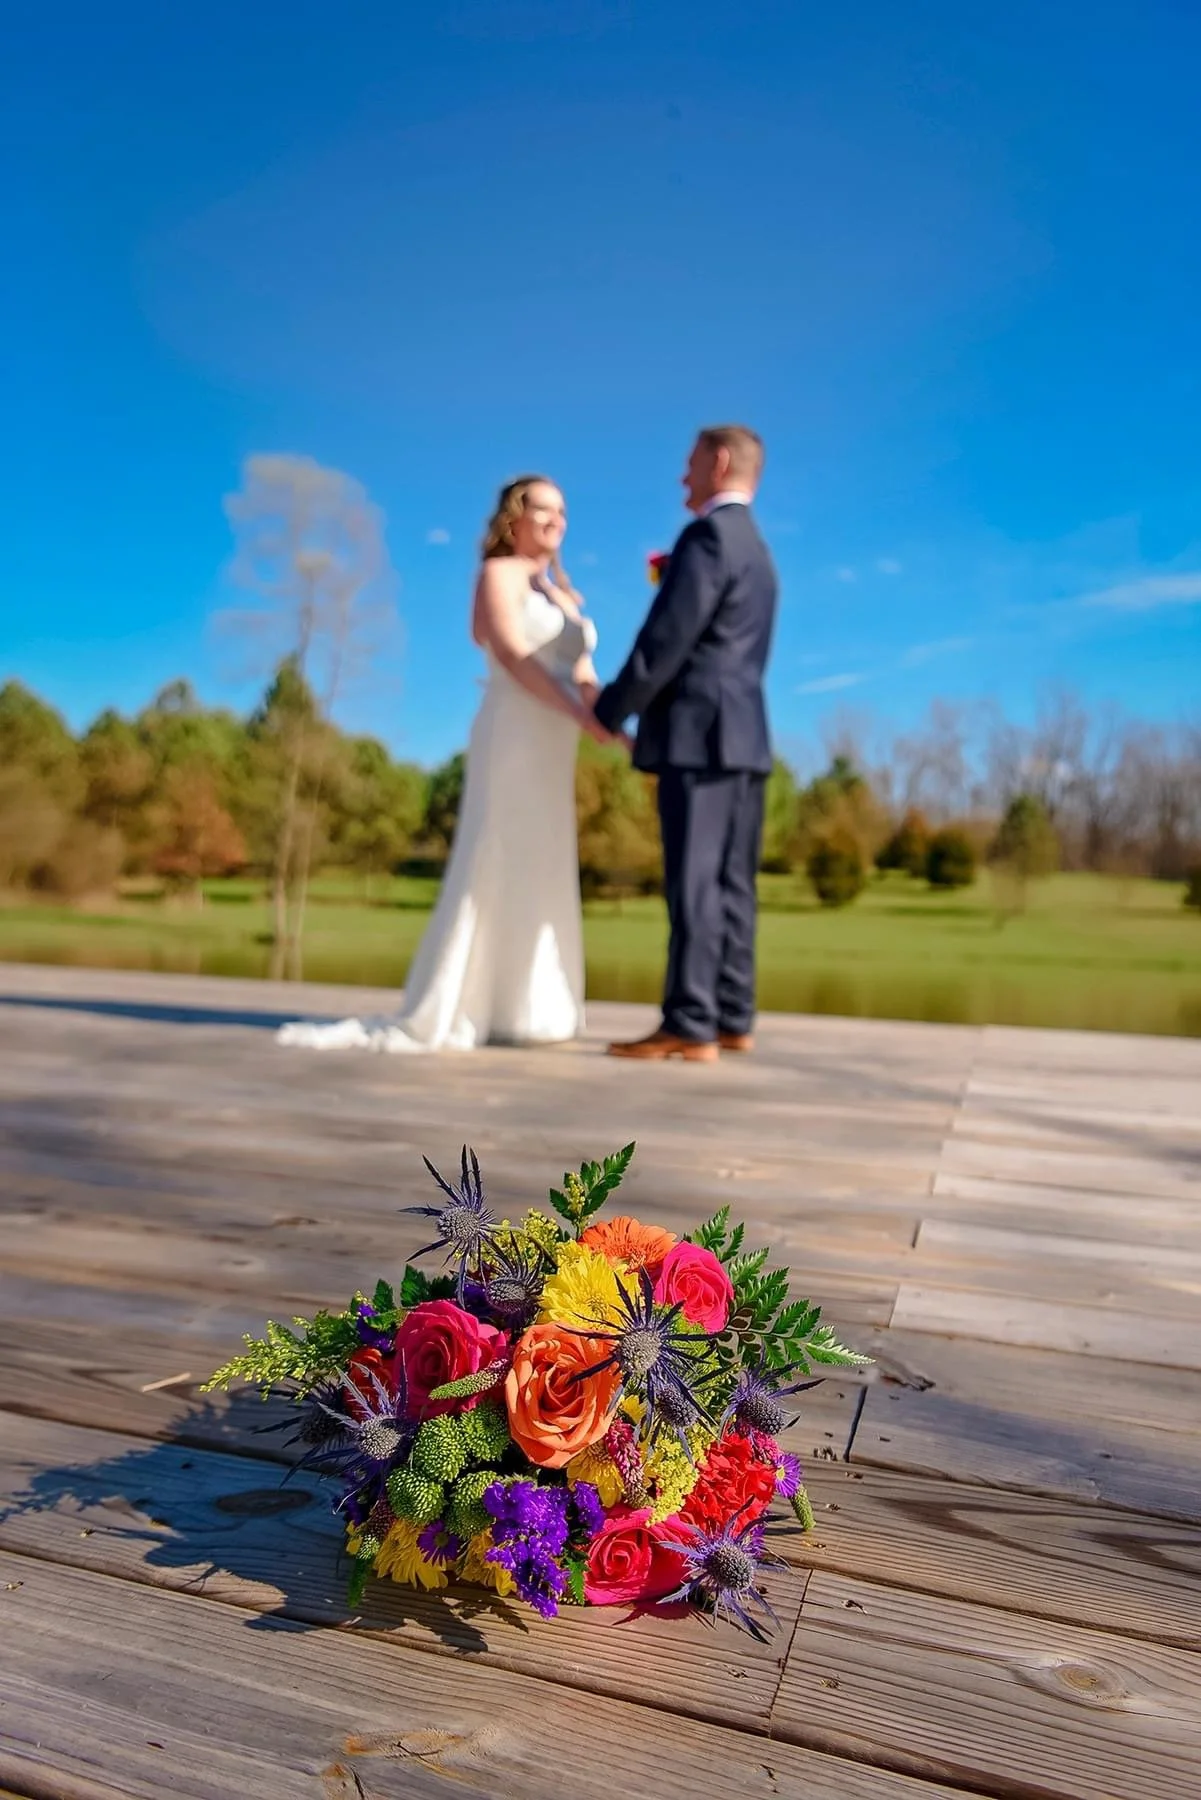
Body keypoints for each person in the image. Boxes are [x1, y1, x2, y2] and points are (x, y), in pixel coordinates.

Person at [278, 475, 608, 1053]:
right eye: (544, 508)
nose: (557, 520)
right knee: (498, 848)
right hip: (513, 735)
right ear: (514, 516)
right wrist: (580, 717)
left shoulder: (565, 596)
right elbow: (513, 653)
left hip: (557, 744)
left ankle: (533, 1010)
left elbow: (583, 675)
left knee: (546, 854)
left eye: (563, 510)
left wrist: (616, 725)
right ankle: (466, 1003)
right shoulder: (497, 576)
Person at [591, 425, 778, 1062]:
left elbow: (666, 640)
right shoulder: (760, 551)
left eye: (690, 464)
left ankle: (690, 1022)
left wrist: (611, 710)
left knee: (694, 881)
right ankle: (733, 1015)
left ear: (719, 462)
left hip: (698, 738)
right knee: (732, 883)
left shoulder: (707, 538)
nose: (682, 477)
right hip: (747, 736)